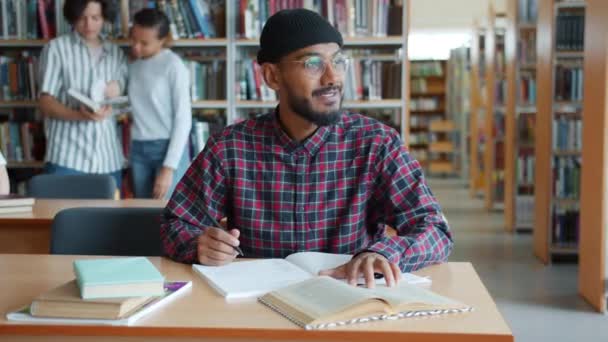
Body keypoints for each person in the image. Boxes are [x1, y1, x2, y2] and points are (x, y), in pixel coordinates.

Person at [161, 9, 453, 288]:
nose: (332, 78)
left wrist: (385, 254)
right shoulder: (229, 147)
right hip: (257, 306)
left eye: (338, 61)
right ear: (272, 77)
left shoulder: (377, 143)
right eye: (313, 63)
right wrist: (199, 244)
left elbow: (434, 229)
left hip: (347, 301)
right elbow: (177, 224)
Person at [38, 0, 127, 189]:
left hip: (108, 158)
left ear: (104, 18)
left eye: (95, 18)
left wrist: (117, 89)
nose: (89, 25)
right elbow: (46, 103)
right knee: (60, 216)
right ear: (72, 18)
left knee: (107, 219)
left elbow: (125, 96)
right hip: (67, 158)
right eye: (82, 18)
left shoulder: (116, 52)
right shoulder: (56, 49)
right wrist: (79, 115)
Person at [128, 9, 192, 199]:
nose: (136, 47)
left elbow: (183, 119)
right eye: (134, 39)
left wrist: (168, 167)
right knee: (141, 214)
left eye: (144, 43)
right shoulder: (134, 65)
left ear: (162, 40)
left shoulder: (173, 66)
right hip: (138, 148)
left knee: (167, 214)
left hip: (167, 149)